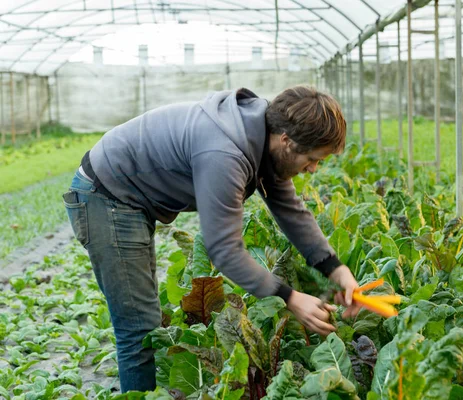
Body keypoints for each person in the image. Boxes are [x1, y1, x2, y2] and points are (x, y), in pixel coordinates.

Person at [62, 85, 360, 393]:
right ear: (286, 140)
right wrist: (291, 298)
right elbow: (224, 251)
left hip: (130, 195)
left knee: (145, 322)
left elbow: (292, 214)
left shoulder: (265, 140)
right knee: (139, 329)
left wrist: (338, 271)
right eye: (313, 159)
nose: (313, 169)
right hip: (107, 195)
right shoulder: (225, 152)